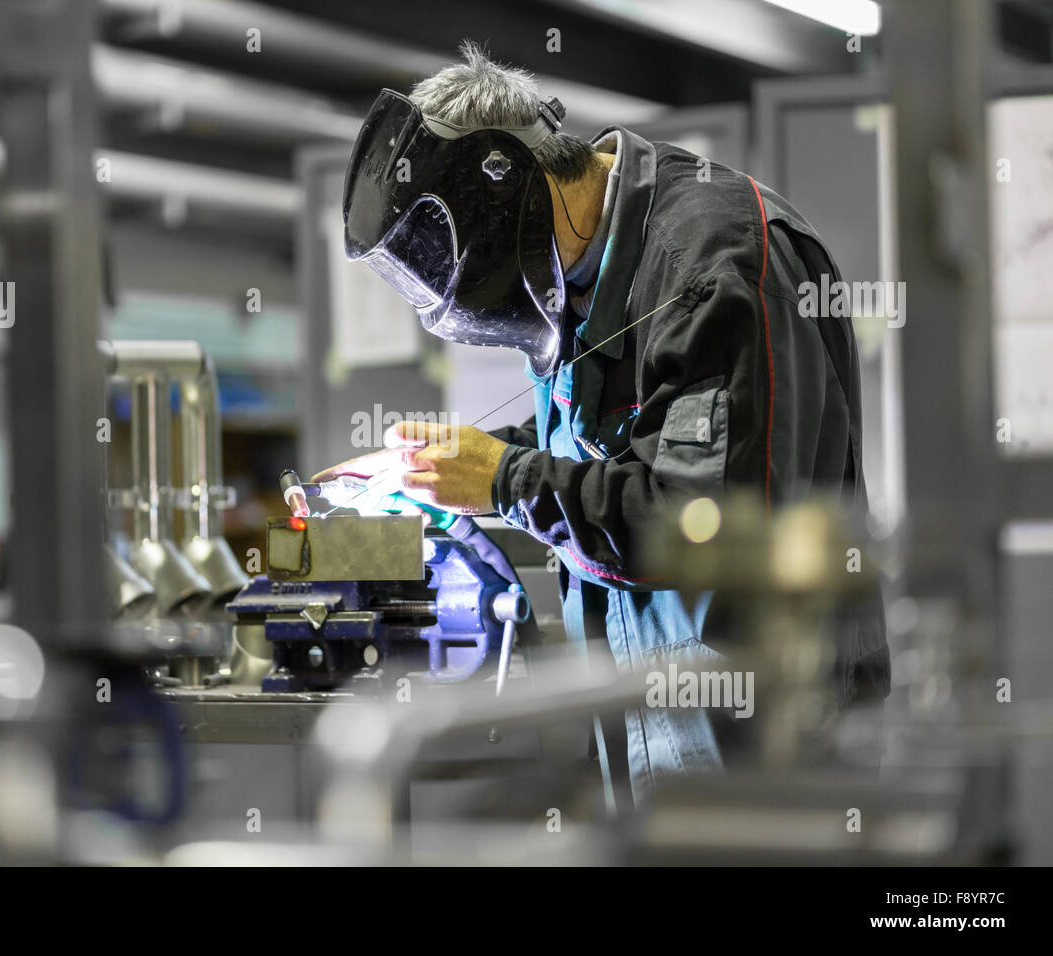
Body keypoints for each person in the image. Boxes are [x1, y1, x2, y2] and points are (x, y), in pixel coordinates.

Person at [313, 42, 889, 806]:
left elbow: (704, 531)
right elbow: (612, 440)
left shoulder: (713, 263)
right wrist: (477, 460)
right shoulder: (577, 270)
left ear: (501, 187)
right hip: (655, 740)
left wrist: (503, 478)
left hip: (768, 755)